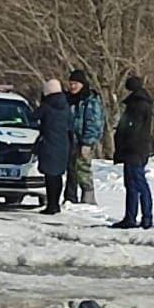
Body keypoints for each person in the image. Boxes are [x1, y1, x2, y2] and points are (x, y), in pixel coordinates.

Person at [112, 74, 154, 229]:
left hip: (134, 150)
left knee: (137, 182)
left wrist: (123, 145)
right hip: (136, 149)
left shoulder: (138, 104)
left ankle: (144, 217)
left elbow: (131, 129)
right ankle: (132, 216)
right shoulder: (140, 103)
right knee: (132, 184)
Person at [64, 67, 106, 205]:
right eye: (71, 83)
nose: (73, 87)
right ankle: (70, 197)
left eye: (76, 84)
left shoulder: (90, 100)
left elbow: (94, 122)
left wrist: (87, 142)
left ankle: (88, 198)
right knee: (71, 169)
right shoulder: (69, 99)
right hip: (71, 139)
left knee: (83, 169)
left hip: (84, 141)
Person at [33, 79, 72, 215]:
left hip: (49, 143)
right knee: (58, 175)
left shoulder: (46, 106)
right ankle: (56, 203)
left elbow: (33, 117)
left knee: (50, 176)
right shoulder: (66, 105)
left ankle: (51, 205)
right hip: (63, 144)